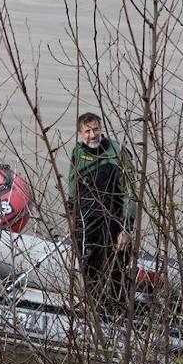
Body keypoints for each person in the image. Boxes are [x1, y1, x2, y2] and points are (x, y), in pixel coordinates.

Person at [67, 112, 138, 313]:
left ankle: (120, 312)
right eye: (87, 131)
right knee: (89, 266)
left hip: (112, 222)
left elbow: (130, 192)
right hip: (86, 220)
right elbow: (73, 186)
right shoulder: (78, 153)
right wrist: (72, 217)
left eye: (96, 129)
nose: (92, 135)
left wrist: (126, 228)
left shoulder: (118, 153)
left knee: (115, 268)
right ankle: (93, 308)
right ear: (80, 133)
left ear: (101, 128)